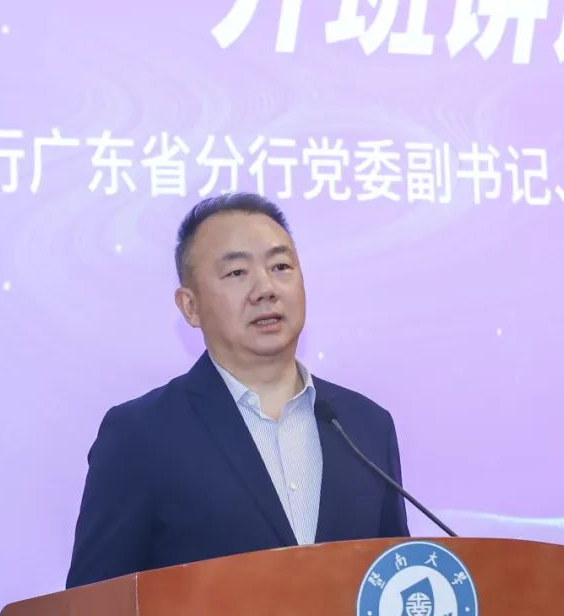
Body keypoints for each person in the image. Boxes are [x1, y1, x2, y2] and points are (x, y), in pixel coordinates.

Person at [66, 193, 409, 588]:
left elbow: (393, 582)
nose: (265, 288)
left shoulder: (366, 426)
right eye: (236, 273)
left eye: (280, 266)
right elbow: (93, 601)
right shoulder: (140, 434)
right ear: (190, 306)